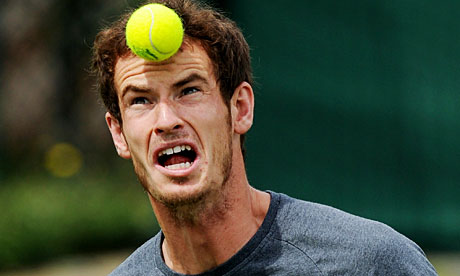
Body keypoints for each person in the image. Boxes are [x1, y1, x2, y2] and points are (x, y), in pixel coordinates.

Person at [92, 0, 438, 275]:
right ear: (119, 134)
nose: (166, 121)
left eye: (189, 91)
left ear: (240, 109)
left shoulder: (369, 263)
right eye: (141, 100)